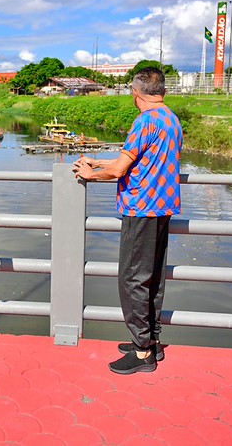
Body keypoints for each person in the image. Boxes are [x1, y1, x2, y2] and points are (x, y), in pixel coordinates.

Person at [72, 67, 182, 374]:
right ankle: (152, 341)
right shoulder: (171, 120)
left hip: (141, 208)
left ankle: (142, 351)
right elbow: (138, 160)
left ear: (136, 94)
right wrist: (100, 161)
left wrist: (90, 173)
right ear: (162, 92)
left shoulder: (144, 120)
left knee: (132, 279)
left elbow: (120, 171)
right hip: (163, 208)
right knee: (153, 278)